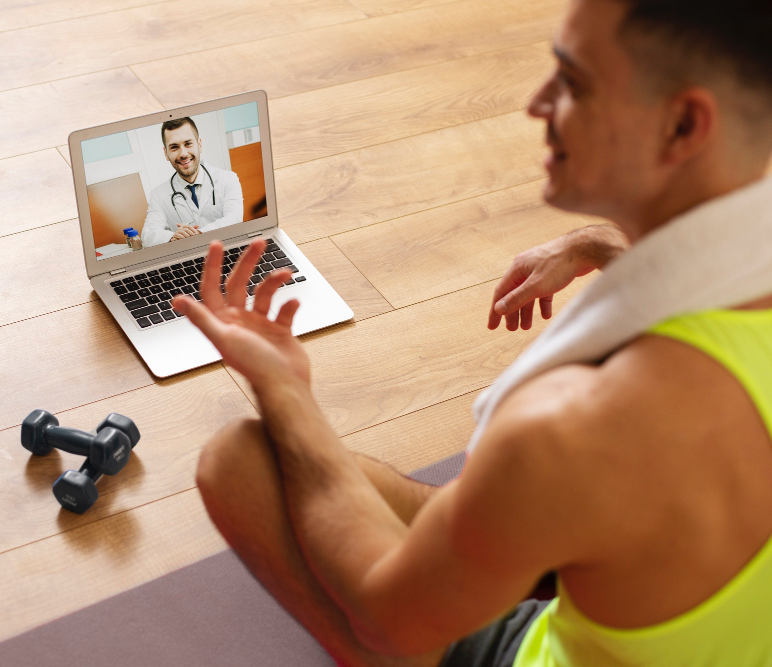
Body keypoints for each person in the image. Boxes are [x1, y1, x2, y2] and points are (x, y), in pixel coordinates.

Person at [172, 0, 772, 665]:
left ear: (683, 124)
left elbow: (388, 615)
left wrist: (285, 387)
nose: (537, 103)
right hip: (666, 592)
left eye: (572, 82)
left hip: (499, 630)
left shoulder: (577, 428)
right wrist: (596, 242)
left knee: (239, 460)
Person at [141, 117, 244, 247]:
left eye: (188, 143)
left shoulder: (228, 179)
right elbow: (148, 235)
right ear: (166, 153)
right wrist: (173, 236)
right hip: (188, 259)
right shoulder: (158, 195)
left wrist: (198, 234)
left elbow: (234, 219)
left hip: (227, 250)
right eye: (174, 147)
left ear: (199, 145)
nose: (183, 153)